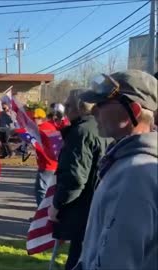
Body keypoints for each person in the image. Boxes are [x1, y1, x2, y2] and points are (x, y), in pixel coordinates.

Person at [74, 70, 157, 270]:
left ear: (134, 112)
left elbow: (116, 262)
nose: (93, 111)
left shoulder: (135, 174)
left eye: (101, 104)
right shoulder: (125, 162)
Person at [47, 89, 109, 270]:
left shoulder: (81, 132)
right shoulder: (101, 127)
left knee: (78, 259)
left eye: (68, 105)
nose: (64, 109)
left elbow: (74, 178)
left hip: (83, 207)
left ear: (81, 108)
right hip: (97, 204)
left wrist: (57, 205)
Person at [32, 108, 59, 206]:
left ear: (42, 118)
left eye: (36, 118)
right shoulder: (51, 127)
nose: (34, 120)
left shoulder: (41, 129)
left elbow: (37, 144)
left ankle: (42, 216)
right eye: (33, 118)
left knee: (41, 190)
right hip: (54, 163)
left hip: (47, 164)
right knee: (49, 191)